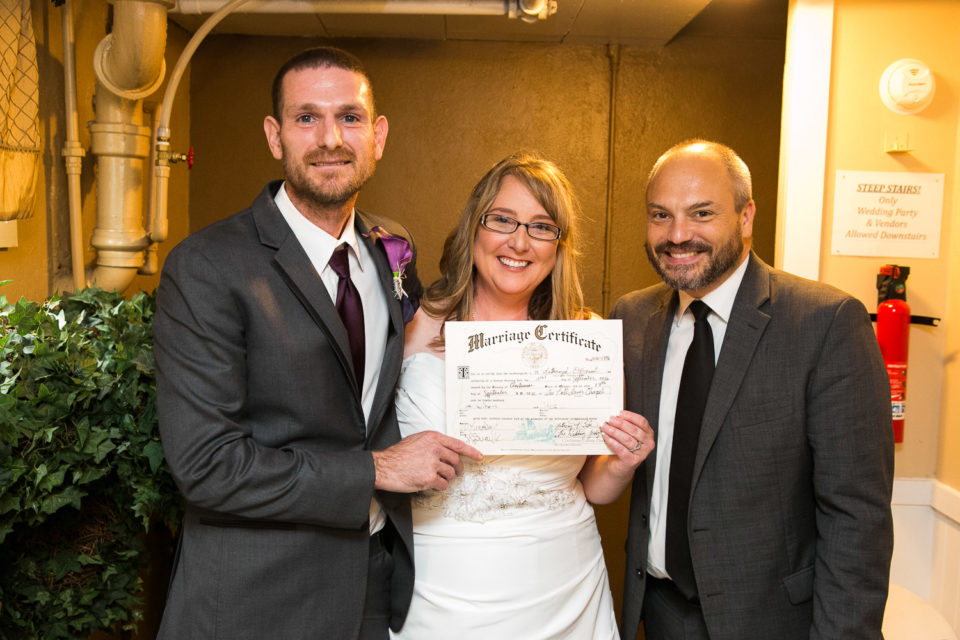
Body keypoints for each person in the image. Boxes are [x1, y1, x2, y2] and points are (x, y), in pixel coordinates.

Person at [153, 47, 481, 640]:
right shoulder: (206, 266)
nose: (331, 137)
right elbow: (207, 467)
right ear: (275, 136)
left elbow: (403, 366)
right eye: (307, 118)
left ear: (377, 135)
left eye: (350, 118)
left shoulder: (392, 246)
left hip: (375, 590)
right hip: (259, 596)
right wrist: (377, 469)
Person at [612, 140, 894, 640]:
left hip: (772, 623)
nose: (678, 235)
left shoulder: (825, 323)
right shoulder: (630, 318)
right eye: (661, 215)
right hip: (656, 613)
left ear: (746, 217)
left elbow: (856, 517)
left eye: (702, 213)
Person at [390, 152, 655, 639]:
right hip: (437, 586)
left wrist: (622, 461)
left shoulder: (586, 340)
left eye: (541, 226)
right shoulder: (410, 324)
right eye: (503, 220)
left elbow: (596, 487)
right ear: (475, 226)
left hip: (562, 586)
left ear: (559, 245)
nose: (519, 242)